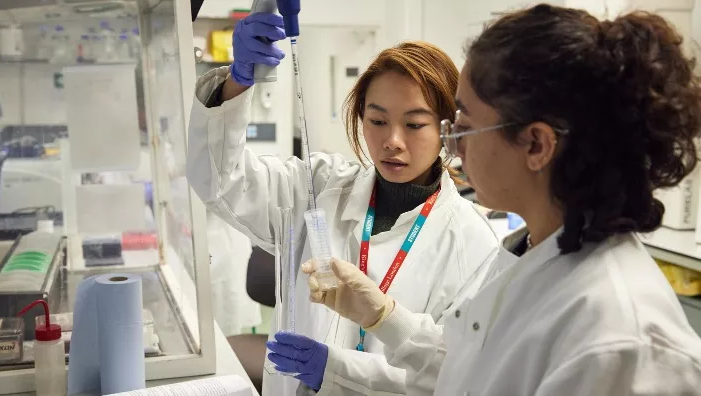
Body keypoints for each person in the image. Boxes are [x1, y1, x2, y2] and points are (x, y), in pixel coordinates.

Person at [296, 4, 701, 395]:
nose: (452, 142)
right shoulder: (530, 256)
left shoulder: (622, 338)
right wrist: (383, 316)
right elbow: (464, 369)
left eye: (465, 124)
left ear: (536, 144)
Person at [186, 12, 499, 396]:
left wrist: (337, 371)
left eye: (415, 124)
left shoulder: (472, 243)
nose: (393, 141)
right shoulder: (319, 188)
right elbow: (220, 182)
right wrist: (237, 81)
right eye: (377, 120)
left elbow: (455, 376)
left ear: (447, 129)